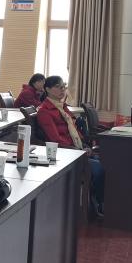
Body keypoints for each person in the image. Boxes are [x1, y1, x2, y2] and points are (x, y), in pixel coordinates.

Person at [37, 75, 104, 214]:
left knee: (110, 163)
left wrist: (84, 145)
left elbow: (74, 130)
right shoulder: (44, 111)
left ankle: (98, 201)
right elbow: (55, 139)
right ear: (47, 89)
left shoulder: (62, 107)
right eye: (58, 87)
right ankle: (98, 204)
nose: (62, 90)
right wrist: (78, 151)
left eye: (63, 87)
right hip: (66, 154)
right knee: (99, 168)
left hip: (76, 150)